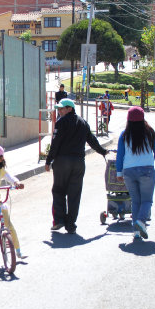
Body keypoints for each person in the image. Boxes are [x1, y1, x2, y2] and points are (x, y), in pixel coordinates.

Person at [45, 99, 108, 234]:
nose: (60, 111)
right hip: (79, 163)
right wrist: (103, 151)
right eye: (59, 109)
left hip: (62, 162)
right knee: (74, 194)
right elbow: (92, 140)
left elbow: (55, 143)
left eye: (62, 109)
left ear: (70, 109)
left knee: (58, 191)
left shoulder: (61, 122)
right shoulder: (83, 123)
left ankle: (59, 220)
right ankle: (71, 224)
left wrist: (48, 160)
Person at [115, 106, 155, 240]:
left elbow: (120, 155)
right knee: (147, 200)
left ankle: (136, 230)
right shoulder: (150, 132)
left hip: (129, 172)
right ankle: (141, 222)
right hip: (147, 170)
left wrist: (119, 173)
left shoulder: (124, 134)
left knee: (136, 201)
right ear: (143, 118)